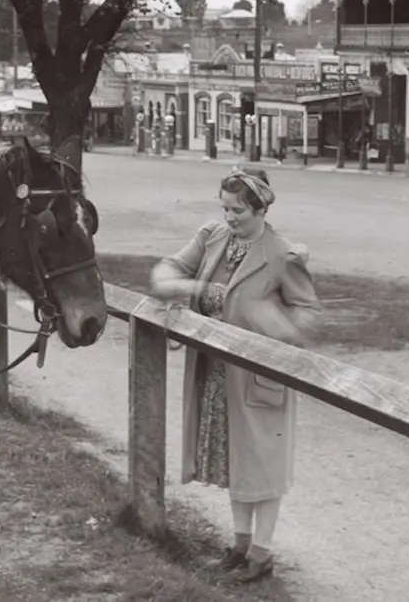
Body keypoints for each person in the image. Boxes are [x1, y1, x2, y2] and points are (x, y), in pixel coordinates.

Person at [150, 167, 321, 583]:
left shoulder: (282, 254)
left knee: (263, 469)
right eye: (225, 208)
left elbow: (309, 317)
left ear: (261, 207)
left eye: (239, 210)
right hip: (216, 375)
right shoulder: (213, 237)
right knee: (235, 465)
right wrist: (184, 289)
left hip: (260, 379)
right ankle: (240, 547)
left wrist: (273, 323)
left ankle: (260, 555)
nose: (230, 217)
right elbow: (164, 273)